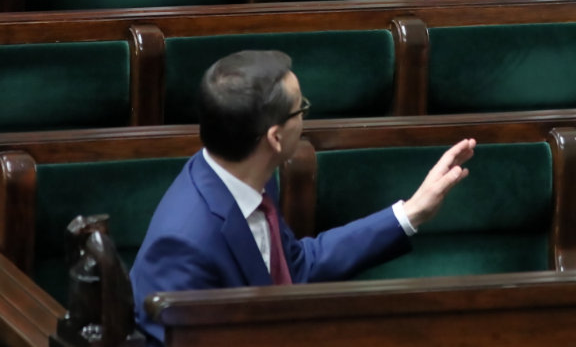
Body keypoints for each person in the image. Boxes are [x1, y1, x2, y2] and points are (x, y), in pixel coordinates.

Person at [130, 50, 476, 346]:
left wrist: (412, 212)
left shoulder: (247, 177)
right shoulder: (183, 245)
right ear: (275, 138)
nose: (306, 117)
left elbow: (295, 267)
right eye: (301, 109)